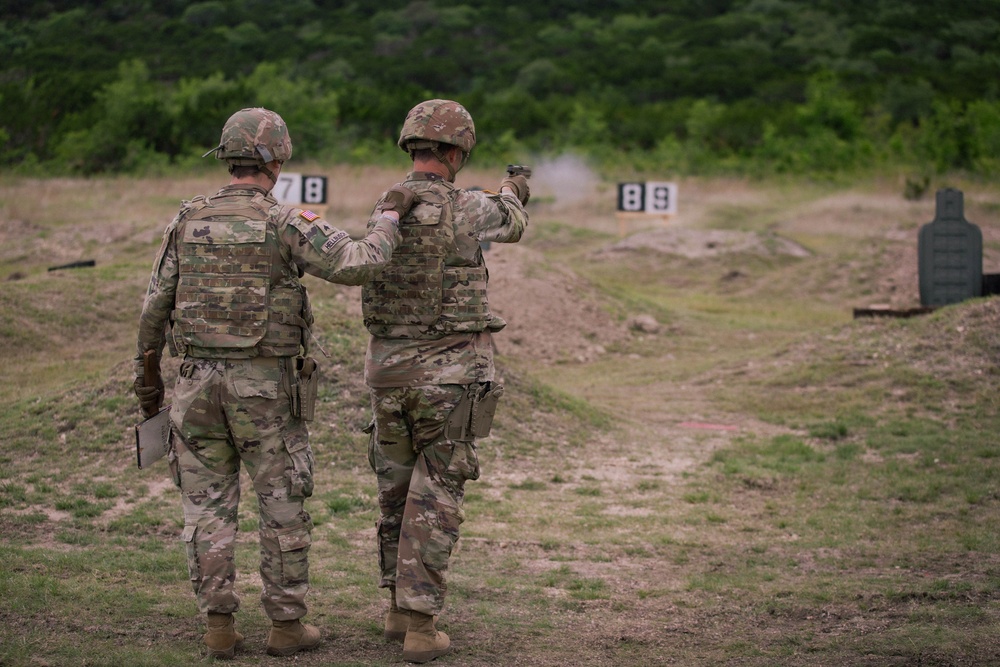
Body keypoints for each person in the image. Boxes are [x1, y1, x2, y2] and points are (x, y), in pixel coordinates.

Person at [132, 107, 414, 659]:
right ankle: (286, 626)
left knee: (207, 510)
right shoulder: (286, 220)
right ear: (277, 159)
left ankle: (219, 627)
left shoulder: (187, 218)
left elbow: (152, 312)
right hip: (264, 390)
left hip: (194, 388)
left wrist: (149, 386)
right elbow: (361, 262)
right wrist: (388, 216)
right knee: (281, 504)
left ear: (228, 157)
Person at [361, 99, 530, 663]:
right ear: (457, 152)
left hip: (388, 373)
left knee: (395, 492)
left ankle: (395, 610)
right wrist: (513, 191)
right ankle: (421, 626)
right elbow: (513, 221)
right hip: (450, 377)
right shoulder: (470, 206)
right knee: (436, 495)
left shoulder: (385, 204)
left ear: (411, 147)